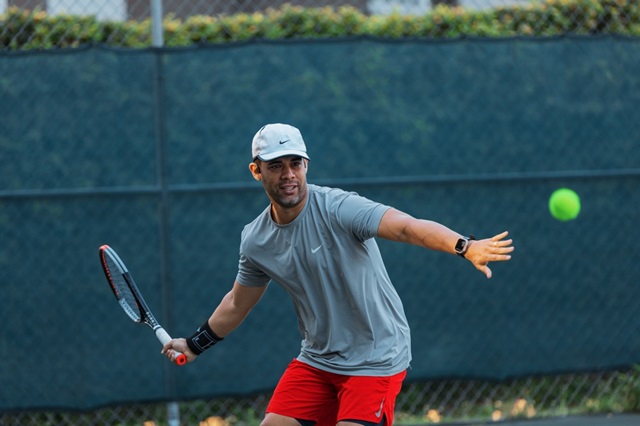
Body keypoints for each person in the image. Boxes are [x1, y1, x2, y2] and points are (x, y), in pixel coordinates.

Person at [162, 123, 514, 426]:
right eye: (276, 166)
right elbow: (238, 303)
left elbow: (406, 227)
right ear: (256, 171)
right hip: (317, 360)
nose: (288, 175)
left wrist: (464, 245)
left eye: (295, 164)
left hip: (376, 358)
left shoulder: (340, 208)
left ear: (306, 165)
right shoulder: (255, 240)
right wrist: (195, 344)